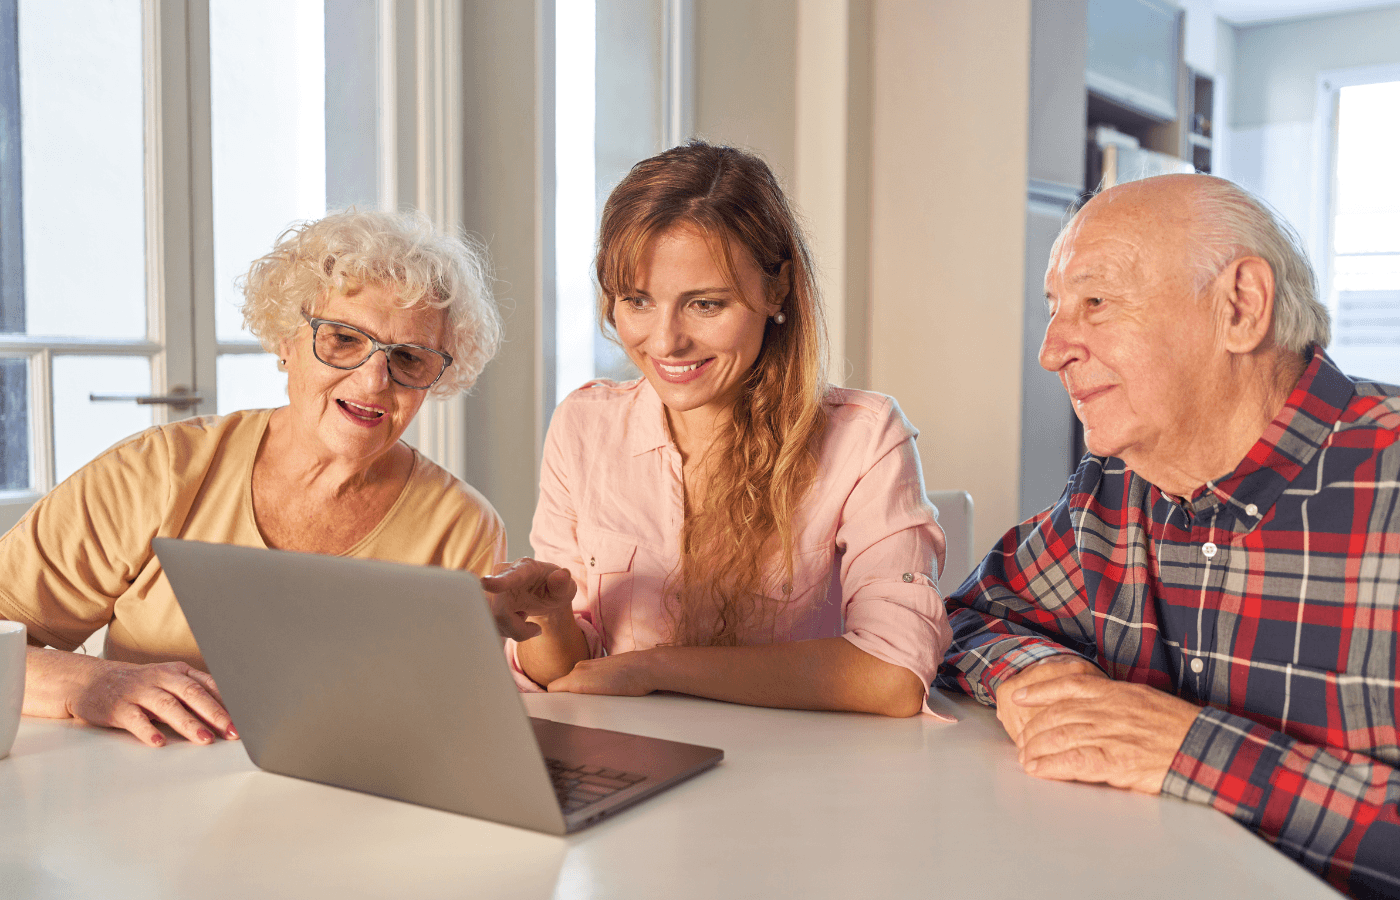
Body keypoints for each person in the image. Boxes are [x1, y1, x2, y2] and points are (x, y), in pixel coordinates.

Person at [935, 174, 1400, 897]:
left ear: (1240, 308)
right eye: (1056, 311)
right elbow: (970, 617)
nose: (1052, 351)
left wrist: (1194, 753)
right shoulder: (1111, 495)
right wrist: (1036, 678)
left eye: (1097, 303)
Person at [0, 209, 548, 748]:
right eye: (344, 339)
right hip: (146, 798)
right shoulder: (159, 472)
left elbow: (454, 729)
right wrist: (92, 683)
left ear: (437, 378)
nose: (375, 378)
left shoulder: (461, 526)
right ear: (287, 341)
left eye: (409, 357)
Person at [486, 141, 951, 718]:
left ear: (776, 290)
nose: (664, 341)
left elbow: (892, 676)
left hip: (809, 780)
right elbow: (569, 675)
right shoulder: (583, 425)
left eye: (705, 305)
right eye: (637, 300)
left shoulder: (864, 438)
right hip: (638, 765)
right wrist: (550, 618)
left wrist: (655, 668)